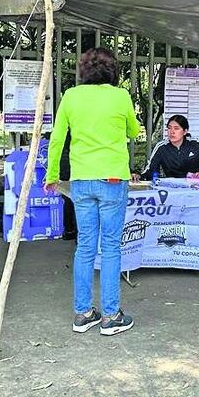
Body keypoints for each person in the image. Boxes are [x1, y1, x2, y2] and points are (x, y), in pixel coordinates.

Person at [45, 48, 140, 336]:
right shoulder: (120, 96)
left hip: (81, 180)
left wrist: (52, 175)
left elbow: (57, 138)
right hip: (112, 178)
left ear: (83, 71)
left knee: (85, 247)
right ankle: (111, 316)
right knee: (110, 247)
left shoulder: (72, 97)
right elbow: (134, 131)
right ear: (113, 71)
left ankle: (83, 313)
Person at [137, 114, 199, 180]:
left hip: (196, 187)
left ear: (185, 131)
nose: (172, 132)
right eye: (169, 128)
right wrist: (138, 176)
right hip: (172, 189)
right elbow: (150, 170)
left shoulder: (194, 143)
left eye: (176, 128)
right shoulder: (161, 147)